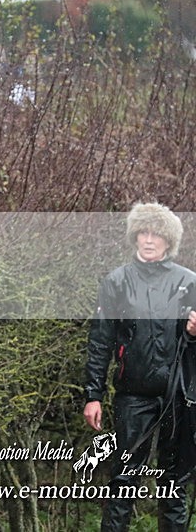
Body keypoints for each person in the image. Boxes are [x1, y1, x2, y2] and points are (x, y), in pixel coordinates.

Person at [83, 202, 196, 531]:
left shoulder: (189, 282)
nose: (149, 240)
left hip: (179, 397)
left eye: (156, 234)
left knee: (174, 487)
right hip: (133, 395)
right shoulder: (116, 281)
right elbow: (100, 340)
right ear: (135, 237)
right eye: (143, 233)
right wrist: (93, 394)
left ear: (168, 240)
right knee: (123, 482)